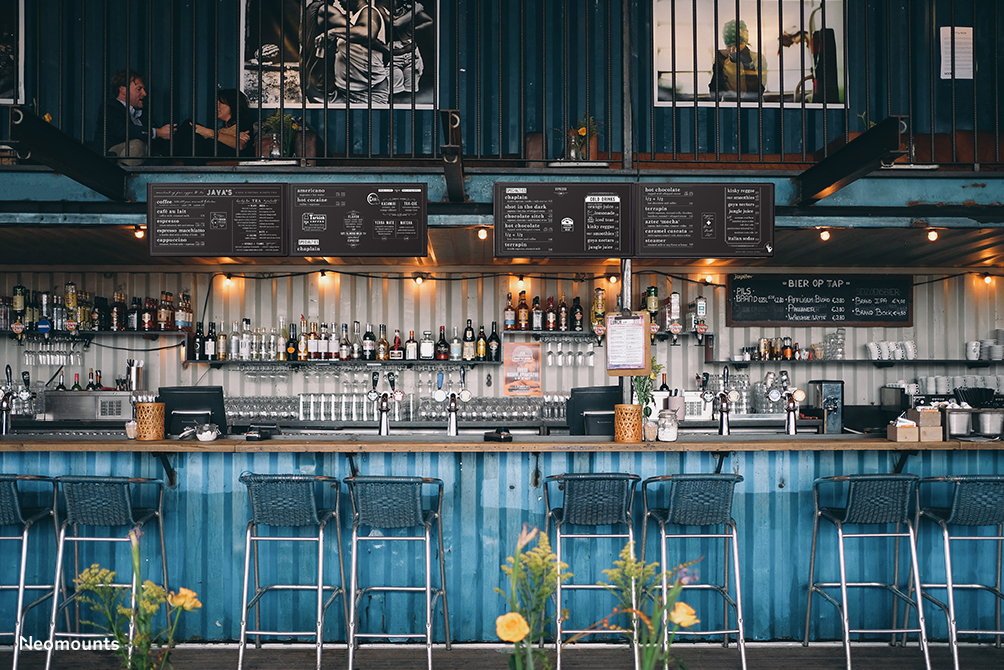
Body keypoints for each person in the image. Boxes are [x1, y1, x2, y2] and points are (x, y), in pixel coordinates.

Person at [94, 69, 174, 163]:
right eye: (139, 89)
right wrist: (157, 132)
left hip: (143, 159)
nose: (144, 94)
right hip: (111, 158)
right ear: (123, 90)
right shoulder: (110, 107)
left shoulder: (143, 113)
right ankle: (121, 171)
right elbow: (122, 130)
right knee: (138, 144)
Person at [173, 89, 256, 158]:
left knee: (191, 130)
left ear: (233, 105)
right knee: (191, 134)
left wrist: (210, 133)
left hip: (232, 156)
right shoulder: (223, 129)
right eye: (217, 103)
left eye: (221, 103)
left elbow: (240, 145)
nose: (217, 106)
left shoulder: (243, 123)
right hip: (213, 153)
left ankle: (168, 154)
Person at [708, 19, 767, 101]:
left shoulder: (757, 58)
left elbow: (756, 93)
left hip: (753, 107)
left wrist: (747, 62)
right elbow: (715, 95)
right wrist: (718, 68)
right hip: (729, 107)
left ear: (745, 42)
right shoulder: (722, 59)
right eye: (729, 45)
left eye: (737, 45)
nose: (733, 50)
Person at [391, 0, 433, 98]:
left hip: (411, 50)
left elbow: (429, 21)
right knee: (394, 87)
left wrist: (415, 30)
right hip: (394, 51)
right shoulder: (385, 10)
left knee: (411, 87)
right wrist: (415, 10)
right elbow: (396, 24)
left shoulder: (408, 9)